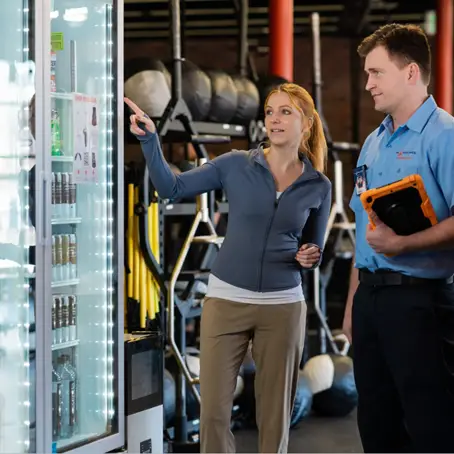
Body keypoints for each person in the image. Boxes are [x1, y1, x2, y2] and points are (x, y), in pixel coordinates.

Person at [125, 82, 332, 454]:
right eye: (270, 111)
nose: (275, 119)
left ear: (307, 123)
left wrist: (310, 256)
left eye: (286, 111)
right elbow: (170, 188)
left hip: (283, 305)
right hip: (225, 301)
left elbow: (314, 248)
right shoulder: (237, 164)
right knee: (214, 414)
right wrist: (150, 142)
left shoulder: (318, 185)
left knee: (274, 416)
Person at [342, 23, 454, 453]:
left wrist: (404, 245)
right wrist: (354, 304)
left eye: (376, 73)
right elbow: (364, 232)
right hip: (372, 302)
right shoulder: (373, 142)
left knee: (431, 425)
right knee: (376, 422)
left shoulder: (444, 135)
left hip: (422, 304)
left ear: (410, 73)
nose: (368, 84)